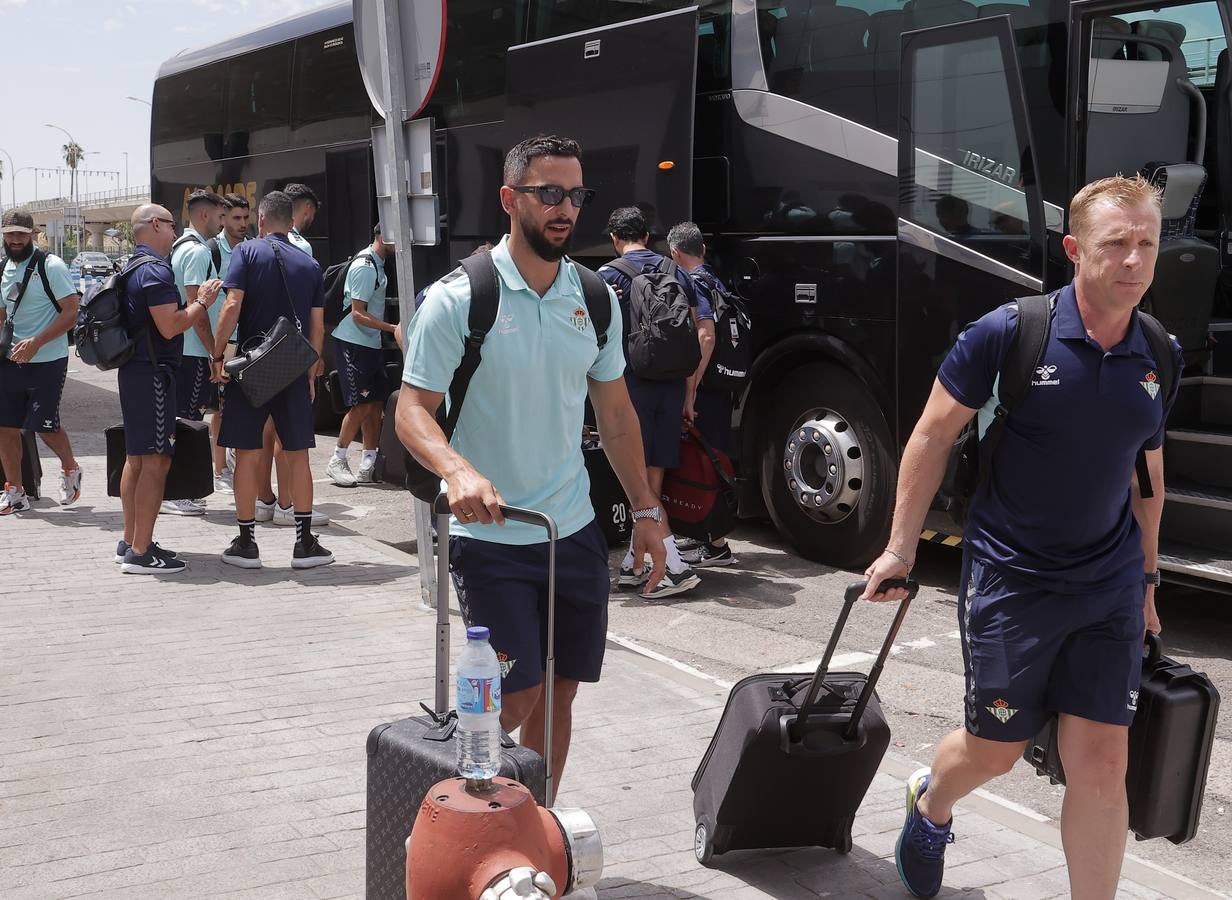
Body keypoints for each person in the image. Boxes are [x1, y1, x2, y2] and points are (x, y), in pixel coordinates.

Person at [862, 175, 1182, 900]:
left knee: (1101, 763)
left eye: (1147, 244)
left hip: (1108, 583)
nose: (1134, 260)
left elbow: (1147, 472)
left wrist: (1150, 581)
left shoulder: (1159, 350)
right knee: (996, 751)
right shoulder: (1010, 332)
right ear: (1074, 249)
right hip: (1013, 577)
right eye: (1116, 244)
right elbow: (931, 435)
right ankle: (931, 802)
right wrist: (900, 549)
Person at [398, 134, 669, 787]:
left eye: (577, 195)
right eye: (549, 193)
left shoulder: (595, 297)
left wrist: (647, 510)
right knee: (509, 698)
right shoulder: (460, 299)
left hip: (570, 533)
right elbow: (411, 410)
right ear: (509, 198)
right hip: (489, 538)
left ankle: (532, 823)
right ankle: (462, 805)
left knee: (561, 691)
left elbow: (617, 414)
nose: (565, 208)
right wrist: (457, 470)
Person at [213, 190, 333, 570]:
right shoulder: (310, 264)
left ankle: (247, 543)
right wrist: (311, 369)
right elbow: (317, 326)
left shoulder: (245, 253)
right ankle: (304, 543)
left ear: (261, 220)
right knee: (298, 456)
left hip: (251, 367)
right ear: (292, 222)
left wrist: (218, 355)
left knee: (248, 455)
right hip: (293, 369)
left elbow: (232, 305)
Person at [598, 206, 701, 598]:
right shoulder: (676, 271)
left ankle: (671, 563)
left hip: (630, 386)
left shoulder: (607, 277)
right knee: (652, 473)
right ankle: (635, 563)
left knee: (635, 477)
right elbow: (694, 327)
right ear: (648, 235)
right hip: (672, 383)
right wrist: (690, 391)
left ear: (614, 237)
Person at [117, 204, 223, 574]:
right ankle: (141, 552)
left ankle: (131, 541)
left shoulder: (131, 265)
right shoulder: (156, 270)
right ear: (156, 225)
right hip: (154, 375)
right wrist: (202, 302)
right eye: (172, 225)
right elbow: (171, 325)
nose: (175, 232)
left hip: (134, 372)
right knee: (157, 461)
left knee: (137, 458)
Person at [0, 209, 83, 514]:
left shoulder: (52, 266)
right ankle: (16, 492)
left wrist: (36, 342)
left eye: (21, 234)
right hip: (9, 361)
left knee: (44, 426)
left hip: (48, 359)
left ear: (32, 235)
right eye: (10, 234)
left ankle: (70, 468)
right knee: (5, 428)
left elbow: (71, 311)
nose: (15, 240)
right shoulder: (3, 268)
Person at [667, 221, 737, 567]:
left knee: (705, 461)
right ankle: (711, 538)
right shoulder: (715, 279)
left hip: (706, 388)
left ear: (675, 253)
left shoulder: (692, 282)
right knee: (715, 457)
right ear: (703, 250)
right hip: (723, 386)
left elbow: (705, 336)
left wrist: (690, 388)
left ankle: (715, 543)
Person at [326, 224, 401, 486]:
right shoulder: (365, 266)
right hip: (353, 343)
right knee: (360, 405)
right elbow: (357, 313)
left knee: (376, 403)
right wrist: (392, 328)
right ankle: (337, 459)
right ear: (382, 235)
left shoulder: (379, 264)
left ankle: (368, 464)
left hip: (370, 344)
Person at [165, 189, 225, 516]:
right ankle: (178, 492)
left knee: (180, 419)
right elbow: (196, 308)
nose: (221, 222)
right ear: (205, 215)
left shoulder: (179, 246)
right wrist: (214, 353)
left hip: (180, 348)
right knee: (189, 421)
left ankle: (172, 489)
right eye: (218, 216)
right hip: (191, 351)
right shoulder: (199, 253)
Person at [210, 192, 251, 494]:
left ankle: (237, 462)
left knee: (244, 406)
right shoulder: (211, 251)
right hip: (221, 343)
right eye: (237, 218)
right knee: (220, 409)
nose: (242, 224)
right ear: (222, 218)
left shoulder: (251, 250)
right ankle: (219, 468)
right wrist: (216, 350)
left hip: (248, 342)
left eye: (246, 218)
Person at [283, 183, 318, 259]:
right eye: (313, 213)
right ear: (307, 208)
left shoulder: (264, 239)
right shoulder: (302, 246)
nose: (312, 218)